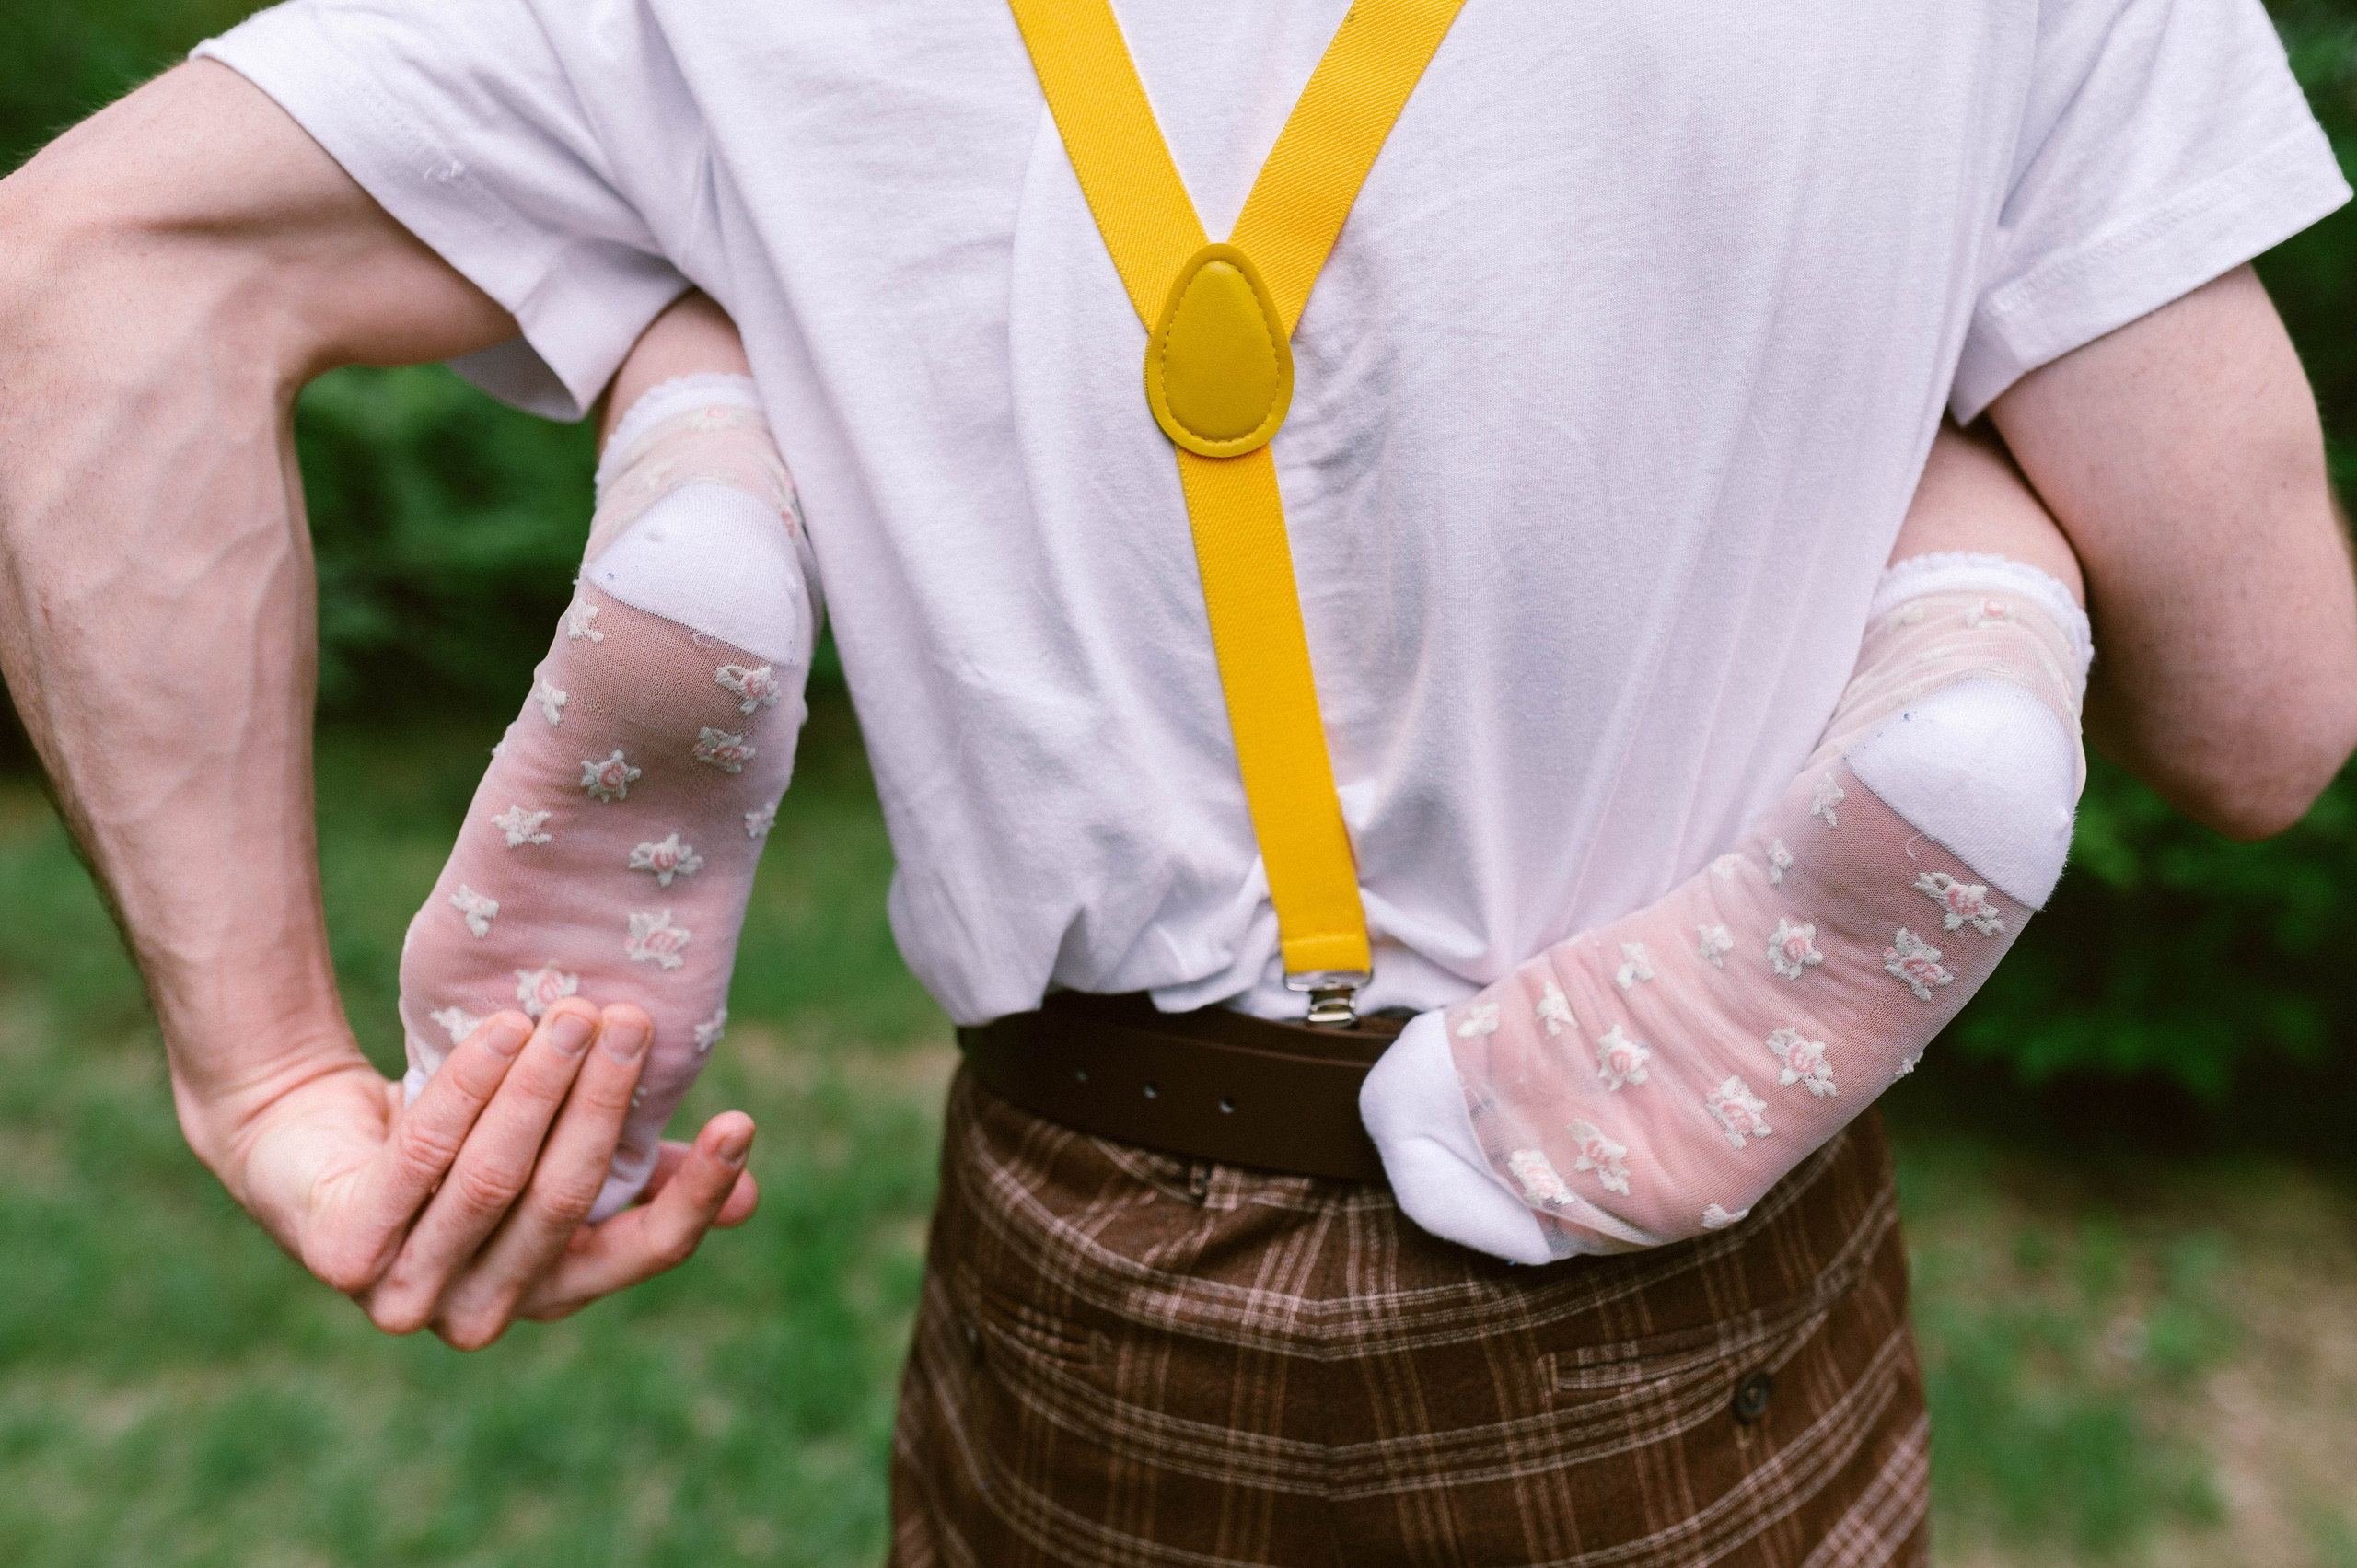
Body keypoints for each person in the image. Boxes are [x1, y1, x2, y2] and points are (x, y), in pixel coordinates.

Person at [1, 0, 2351, 1560]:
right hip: (1690, 1305)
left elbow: (87, 269)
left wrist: (272, 1077)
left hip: (1105, 1231)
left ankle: (704, 433)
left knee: (690, 305)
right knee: (1997, 508)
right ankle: (1973, 653)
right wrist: (1965, 488)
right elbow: (2267, 713)